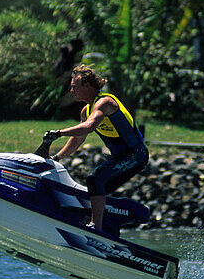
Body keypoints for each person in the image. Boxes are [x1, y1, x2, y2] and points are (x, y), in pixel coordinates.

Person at [44, 64, 147, 233]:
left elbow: (89, 127)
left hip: (136, 155)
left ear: (88, 86)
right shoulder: (86, 111)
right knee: (93, 188)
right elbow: (78, 139)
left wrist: (59, 133)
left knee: (95, 179)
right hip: (121, 158)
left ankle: (95, 228)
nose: (71, 91)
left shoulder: (105, 103)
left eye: (74, 86)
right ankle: (104, 224)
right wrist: (57, 157)